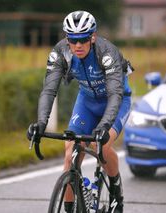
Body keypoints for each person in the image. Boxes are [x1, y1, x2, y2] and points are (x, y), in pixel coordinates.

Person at [27, 10, 133, 213]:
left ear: (92, 37)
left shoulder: (106, 53)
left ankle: (115, 193)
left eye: (83, 39)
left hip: (116, 101)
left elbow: (114, 95)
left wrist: (103, 126)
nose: (78, 45)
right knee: (70, 154)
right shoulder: (60, 53)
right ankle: (70, 208)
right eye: (73, 40)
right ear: (66, 38)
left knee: (100, 144)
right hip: (87, 101)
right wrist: (41, 122)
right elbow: (49, 89)